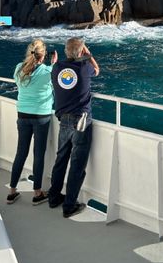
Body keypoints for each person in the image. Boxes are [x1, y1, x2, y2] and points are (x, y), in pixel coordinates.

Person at [48, 37, 100, 217]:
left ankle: (54, 197)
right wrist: (89, 54)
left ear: (66, 52)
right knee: (77, 164)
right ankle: (69, 206)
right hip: (81, 121)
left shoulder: (56, 68)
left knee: (61, 159)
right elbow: (97, 70)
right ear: (82, 52)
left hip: (64, 120)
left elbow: (57, 70)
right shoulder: (85, 68)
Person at [7, 39, 58, 205]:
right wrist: (54, 64)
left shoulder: (18, 69)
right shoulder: (49, 71)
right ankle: (37, 193)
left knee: (20, 153)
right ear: (43, 56)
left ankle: (12, 191)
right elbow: (57, 84)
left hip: (22, 115)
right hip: (41, 117)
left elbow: (22, 82)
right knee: (38, 155)